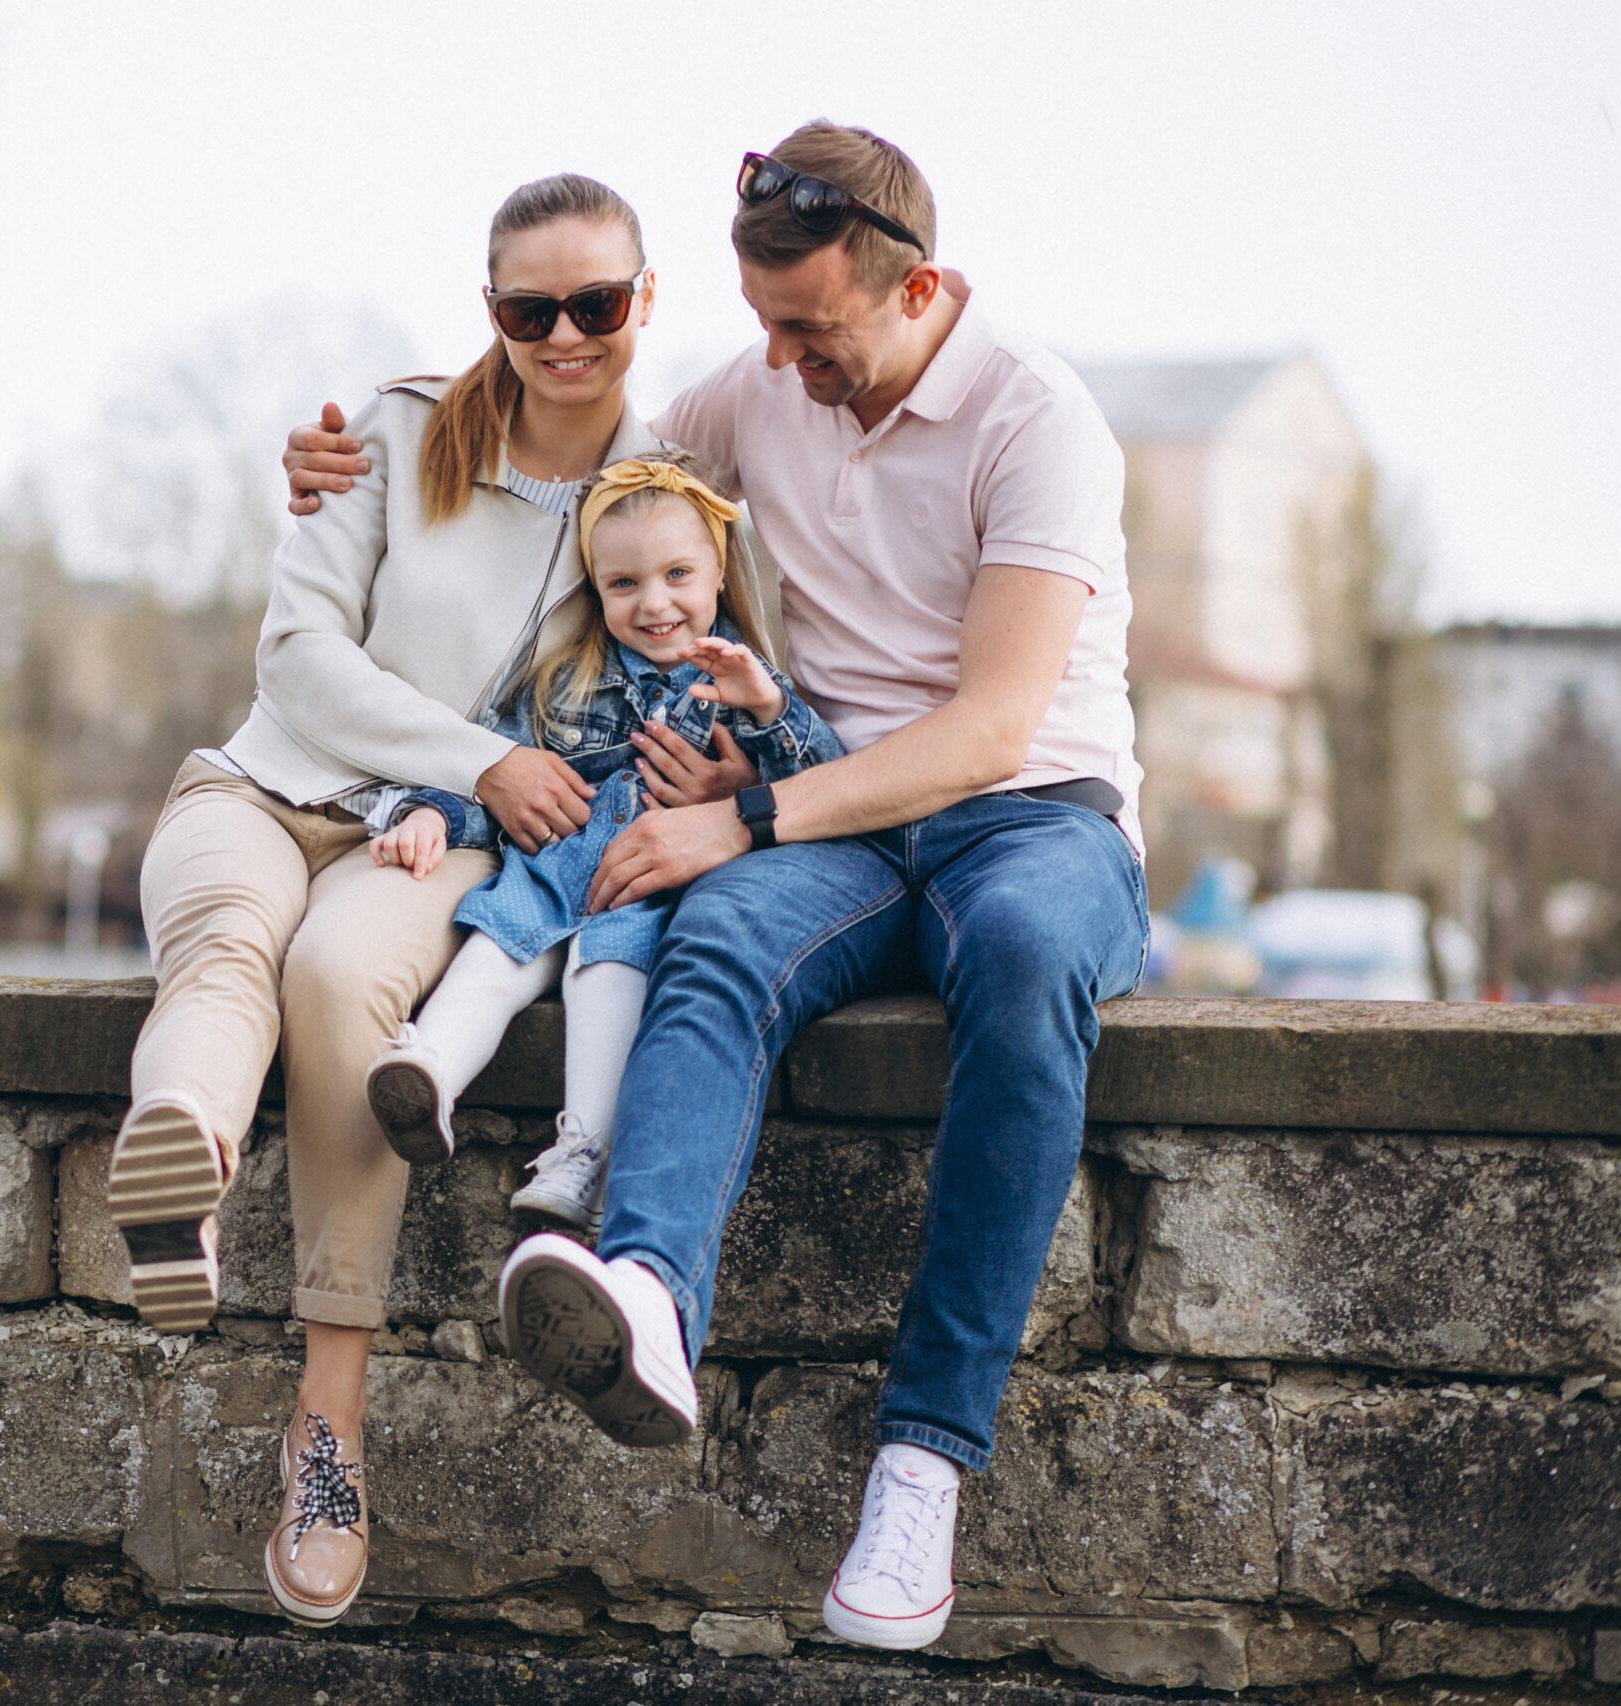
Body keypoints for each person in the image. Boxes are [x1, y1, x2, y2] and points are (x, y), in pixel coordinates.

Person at [283, 122, 1147, 1653]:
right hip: (829, 830)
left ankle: (921, 1462)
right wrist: (361, 465)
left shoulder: (1039, 419)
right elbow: (577, 467)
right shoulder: (759, 389)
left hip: (1029, 817)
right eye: (762, 330)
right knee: (714, 954)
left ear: (919, 285)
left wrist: (745, 818)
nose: (779, 369)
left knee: (1020, 965)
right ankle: (651, 1304)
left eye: (812, 331)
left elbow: (993, 728)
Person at [113, 172, 679, 1630]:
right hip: (262, 784)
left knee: (335, 981)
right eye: (529, 308)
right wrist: (485, 756)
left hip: (433, 850)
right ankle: (178, 1180)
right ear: (488, 308)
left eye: (596, 305)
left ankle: (328, 1430)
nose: (565, 335)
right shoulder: (397, 432)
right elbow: (299, 654)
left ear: (644, 301)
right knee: (229, 937)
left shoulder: (662, 494)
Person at [359, 451, 841, 1234]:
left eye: (677, 575)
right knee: (491, 949)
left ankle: (581, 1154)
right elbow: (491, 763)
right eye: (624, 584)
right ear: (596, 587)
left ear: (718, 571)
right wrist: (433, 816)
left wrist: (767, 706)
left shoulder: (744, 682)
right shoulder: (563, 677)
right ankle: (428, 1075)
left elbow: (824, 784)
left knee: (605, 970)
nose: (654, 604)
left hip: (643, 894)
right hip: (547, 871)